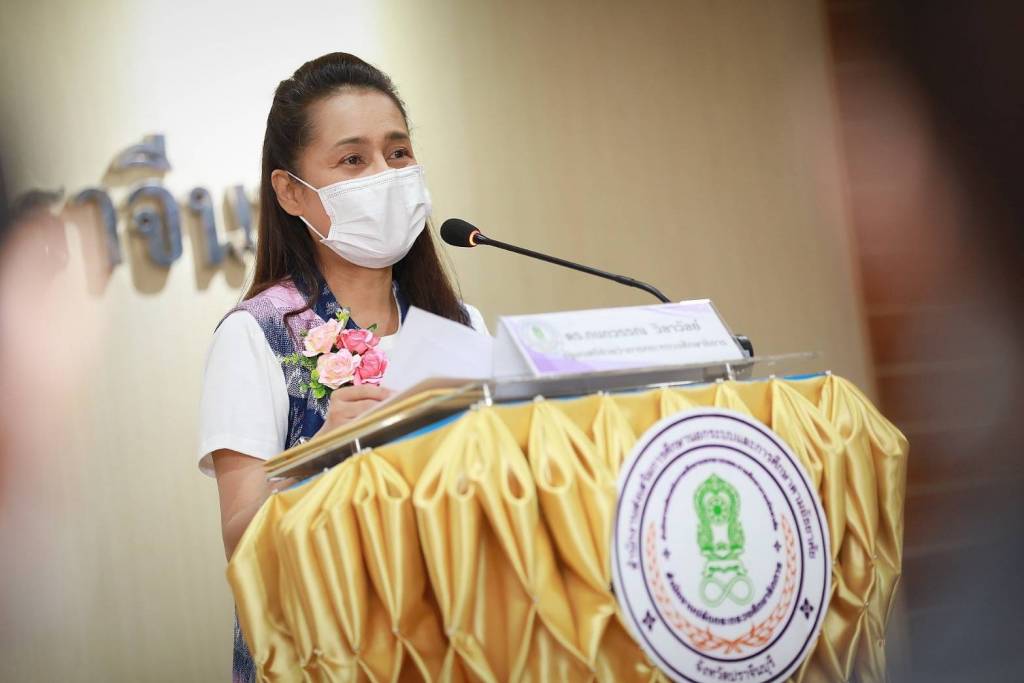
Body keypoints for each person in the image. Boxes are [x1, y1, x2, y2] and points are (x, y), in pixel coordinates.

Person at [196, 52, 487, 681]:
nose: (385, 174)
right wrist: (319, 456)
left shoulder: (463, 325)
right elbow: (242, 541)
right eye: (353, 160)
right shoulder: (256, 335)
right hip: (326, 653)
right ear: (290, 191)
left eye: (398, 152)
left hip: (458, 644)